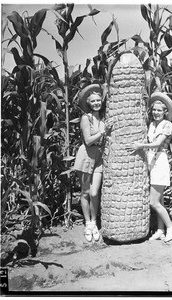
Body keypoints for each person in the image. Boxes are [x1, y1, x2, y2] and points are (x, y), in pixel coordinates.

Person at [127, 91, 172, 242]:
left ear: (165, 112)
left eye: (159, 110)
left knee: (153, 201)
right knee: (159, 200)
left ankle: (171, 228)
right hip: (151, 162)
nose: (156, 113)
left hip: (160, 162)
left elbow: (157, 144)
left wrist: (140, 145)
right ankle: (160, 230)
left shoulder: (167, 125)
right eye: (154, 110)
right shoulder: (151, 125)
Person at [73, 84, 112, 242]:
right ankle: (88, 224)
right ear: (88, 103)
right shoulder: (86, 118)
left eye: (98, 100)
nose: (96, 103)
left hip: (98, 158)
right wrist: (103, 132)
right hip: (86, 156)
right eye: (93, 101)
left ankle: (94, 222)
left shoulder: (103, 118)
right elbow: (88, 141)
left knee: (95, 192)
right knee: (85, 192)